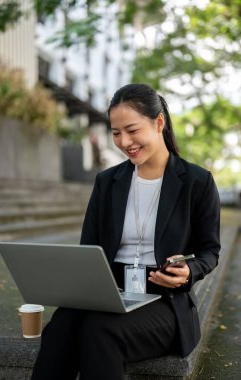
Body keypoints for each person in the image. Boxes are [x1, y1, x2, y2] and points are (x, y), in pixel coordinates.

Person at [31, 84, 221, 380]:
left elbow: (210, 250)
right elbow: (89, 249)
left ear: (159, 123)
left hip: (165, 300)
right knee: (59, 328)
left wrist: (190, 270)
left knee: (101, 331)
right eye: (116, 132)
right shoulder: (108, 182)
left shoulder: (197, 182)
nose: (124, 141)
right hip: (108, 290)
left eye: (132, 130)